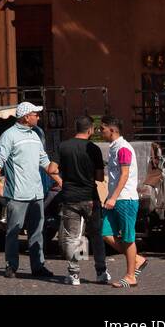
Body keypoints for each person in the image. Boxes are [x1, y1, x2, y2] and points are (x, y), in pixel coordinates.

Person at [0, 102, 62, 280]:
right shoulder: (9, 135)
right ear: (25, 117)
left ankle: (38, 267)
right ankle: (11, 265)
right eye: (35, 114)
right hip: (17, 194)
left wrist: (60, 181)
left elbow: (44, 162)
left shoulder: (36, 135)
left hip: (37, 193)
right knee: (13, 232)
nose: (38, 116)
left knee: (37, 232)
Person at [55, 116, 110, 286]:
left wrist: (61, 180)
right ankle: (101, 273)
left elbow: (51, 168)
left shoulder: (63, 146)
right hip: (90, 197)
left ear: (76, 127)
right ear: (90, 130)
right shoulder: (93, 148)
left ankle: (74, 275)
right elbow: (100, 177)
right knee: (96, 235)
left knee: (74, 236)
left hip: (70, 197)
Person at [99, 116, 146, 288]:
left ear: (112, 130)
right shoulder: (114, 147)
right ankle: (138, 260)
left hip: (125, 199)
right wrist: (110, 196)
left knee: (128, 238)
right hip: (115, 198)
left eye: (102, 129)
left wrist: (113, 196)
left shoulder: (124, 148)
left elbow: (124, 175)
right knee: (106, 233)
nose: (100, 132)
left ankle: (130, 276)